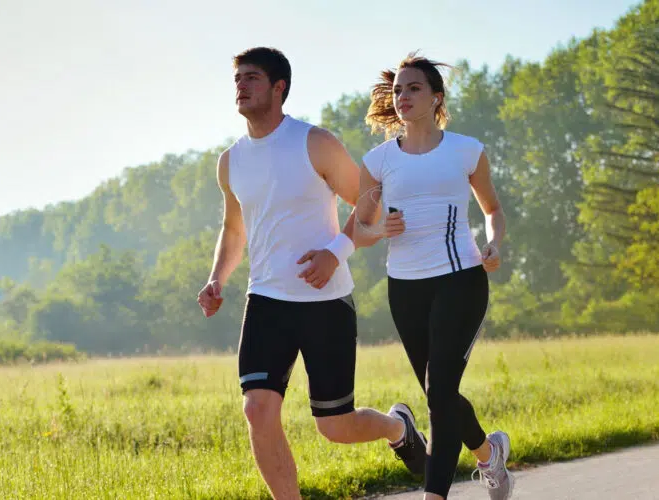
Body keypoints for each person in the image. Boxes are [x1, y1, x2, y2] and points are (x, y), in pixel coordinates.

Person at [196, 47, 426, 500]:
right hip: (265, 301)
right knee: (257, 410)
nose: (240, 86)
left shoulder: (314, 142)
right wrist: (217, 277)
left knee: (335, 427)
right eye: (237, 78)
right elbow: (233, 226)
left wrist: (334, 252)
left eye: (252, 78)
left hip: (325, 303)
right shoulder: (230, 161)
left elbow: (370, 200)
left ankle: (397, 426)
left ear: (279, 88)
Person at [353, 52, 513, 500]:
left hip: (460, 277)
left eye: (413, 88)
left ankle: (435, 496)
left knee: (440, 387)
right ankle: (488, 455)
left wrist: (493, 244)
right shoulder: (378, 161)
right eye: (397, 89)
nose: (402, 96)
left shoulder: (465, 150)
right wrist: (378, 229)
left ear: (436, 97)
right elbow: (356, 230)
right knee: (436, 392)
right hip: (405, 287)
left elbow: (493, 210)